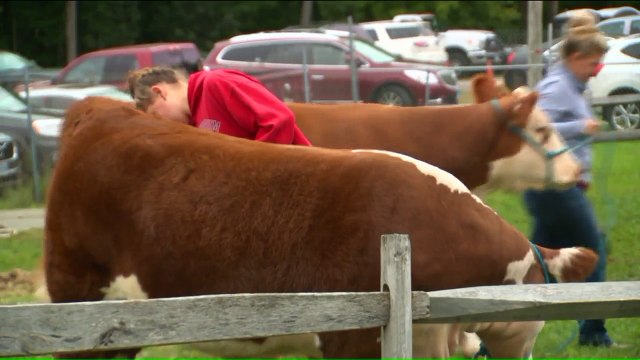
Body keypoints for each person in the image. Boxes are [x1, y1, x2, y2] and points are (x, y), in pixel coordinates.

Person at [523, 12, 620, 348]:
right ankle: (594, 332)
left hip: (560, 188)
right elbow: (533, 129)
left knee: (534, 261)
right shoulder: (556, 86)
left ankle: (499, 325)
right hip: (553, 189)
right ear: (575, 58)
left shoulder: (572, 85)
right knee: (592, 251)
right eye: (592, 63)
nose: (597, 70)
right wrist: (580, 127)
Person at [127, 66, 312, 146]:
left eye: (156, 115)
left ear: (160, 92)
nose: (164, 124)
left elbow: (279, 120)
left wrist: (253, 171)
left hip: (299, 181)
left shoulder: (215, 83)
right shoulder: (196, 122)